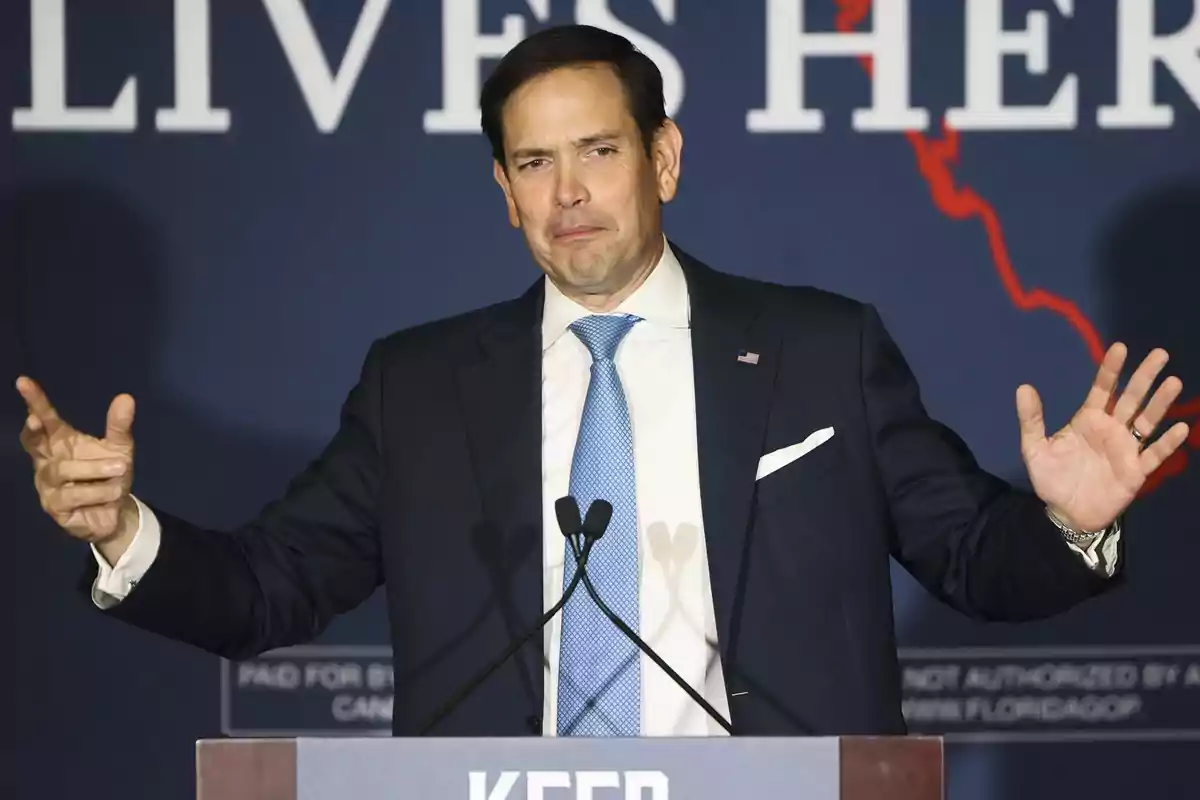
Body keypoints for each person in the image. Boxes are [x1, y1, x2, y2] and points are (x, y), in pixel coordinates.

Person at [14, 24, 1189, 738]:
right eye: (535, 162)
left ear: (663, 157)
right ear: (505, 192)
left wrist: (1065, 527)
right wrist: (123, 530)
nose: (568, 191)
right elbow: (271, 587)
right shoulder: (418, 386)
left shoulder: (821, 349)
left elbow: (970, 554)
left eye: (599, 150)